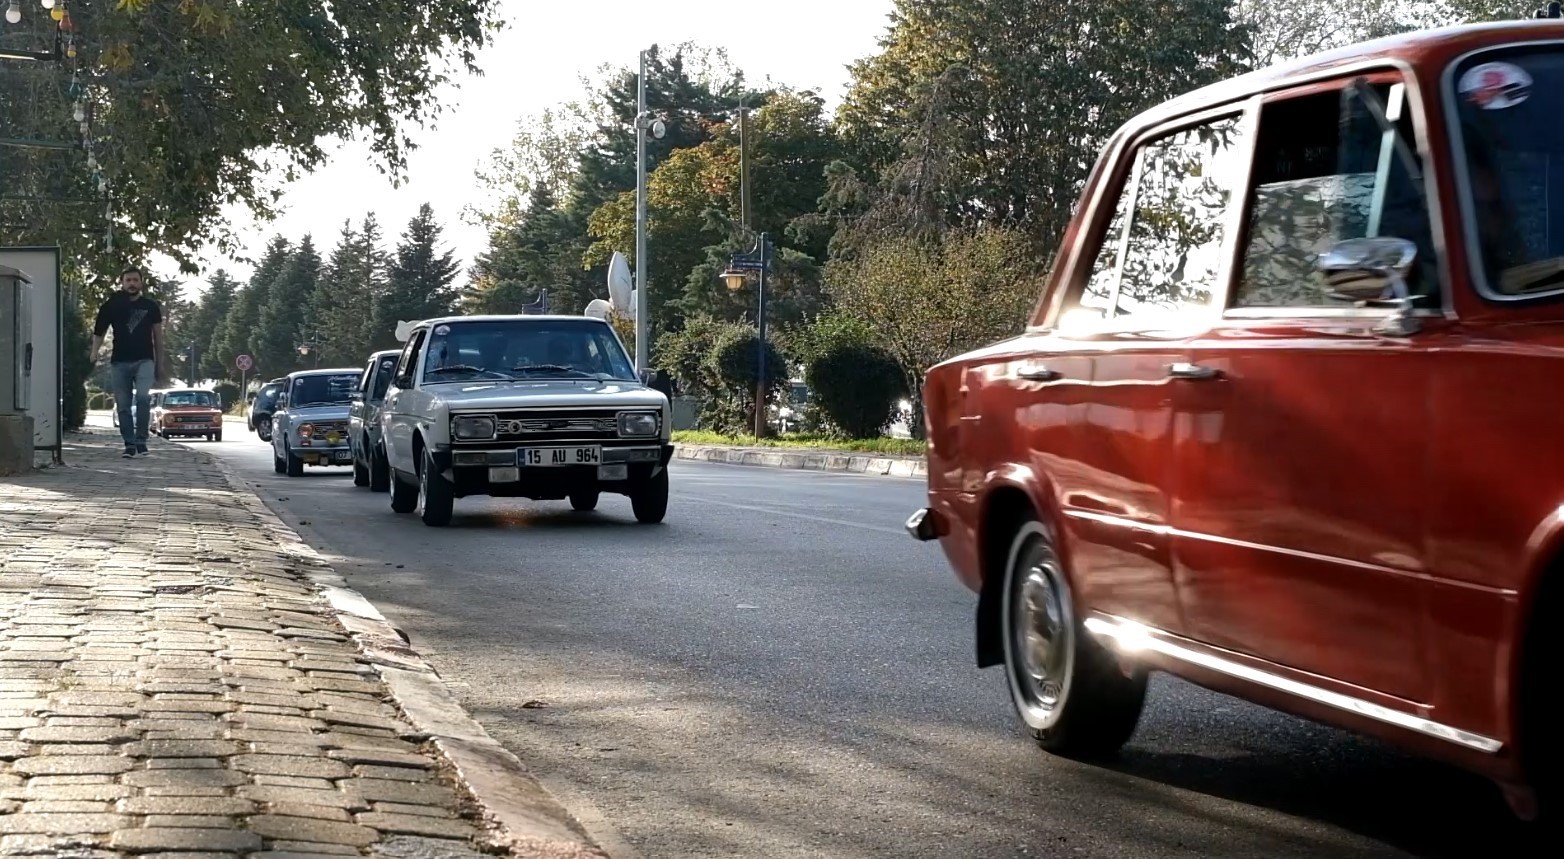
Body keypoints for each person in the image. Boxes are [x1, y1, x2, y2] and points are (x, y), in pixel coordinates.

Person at [91, 267, 164, 457]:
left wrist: (160, 364)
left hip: (145, 360)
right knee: (123, 405)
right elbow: (99, 331)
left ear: (141, 282)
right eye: (128, 280)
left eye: (135, 280)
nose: (132, 283)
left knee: (142, 397)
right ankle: (129, 444)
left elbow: (158, 337)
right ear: (122, 283)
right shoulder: (112, 305)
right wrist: (94, 352)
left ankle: (141, 441)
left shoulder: (150, 306)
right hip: (120, 361)